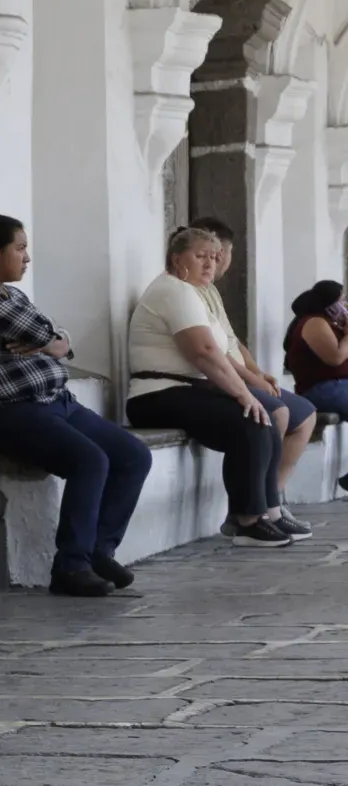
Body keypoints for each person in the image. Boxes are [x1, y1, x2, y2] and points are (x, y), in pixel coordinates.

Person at [0, 214, 151, 596]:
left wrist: (53, 340)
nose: (27, 258)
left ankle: (99, 550)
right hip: (13, 412)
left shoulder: (13, 295)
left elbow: (58, 336)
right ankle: (71, 566)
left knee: (133, 455)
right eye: (20, 248)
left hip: (59, 402)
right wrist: (50, 339)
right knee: (90, 460)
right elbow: (42, 333)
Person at [122, 229, 295, 544]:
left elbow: (221, 353)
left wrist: (247, 393)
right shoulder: (173, 290)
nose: (209, 264)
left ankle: (265, 512)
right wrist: (244, 395)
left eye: (214, 258)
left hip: (187, 390)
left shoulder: (192, 292)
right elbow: (203, 353)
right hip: (156, 395)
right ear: (177, 259)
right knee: (252, 420)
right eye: (200, 256)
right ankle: (246, 520)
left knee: (261, 419)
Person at [186, 217, 319, 524]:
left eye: (215, 256)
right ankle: (254, 509)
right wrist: (249, 382)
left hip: (239, 375)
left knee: (306, 414)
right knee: (274, 413)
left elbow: (232, 341)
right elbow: (210, 352)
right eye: (205, 255)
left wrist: (258, 372)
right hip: (216, 381)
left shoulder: (210, 292)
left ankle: (274, 497)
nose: (216, 262)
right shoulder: (185, 292)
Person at [283, 279, 348, 419]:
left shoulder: (334, 325)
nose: (345, 305)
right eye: (341, 301)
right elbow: (335, 358)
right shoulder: (314, 322)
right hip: (323, 389)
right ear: (330, 304)